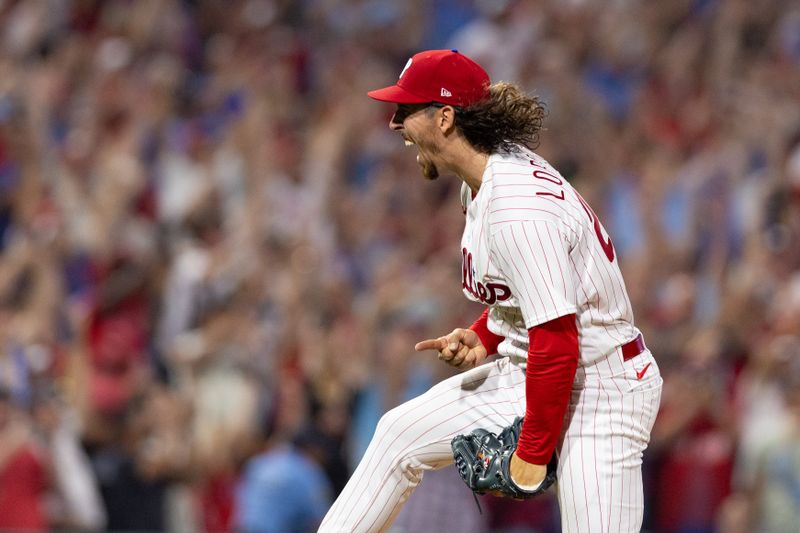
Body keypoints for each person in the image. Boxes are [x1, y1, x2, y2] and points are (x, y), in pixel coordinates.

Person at [318, 49, 663, 533]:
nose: (395, 124)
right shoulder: (484, 176)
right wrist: (486, 334)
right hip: (540, 373)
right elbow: (528, 297)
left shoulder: (515, 207)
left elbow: (559, 339)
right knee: (398, 435)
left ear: (444, 118)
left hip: (600, 388)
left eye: (405, 110)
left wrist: (532, 454)